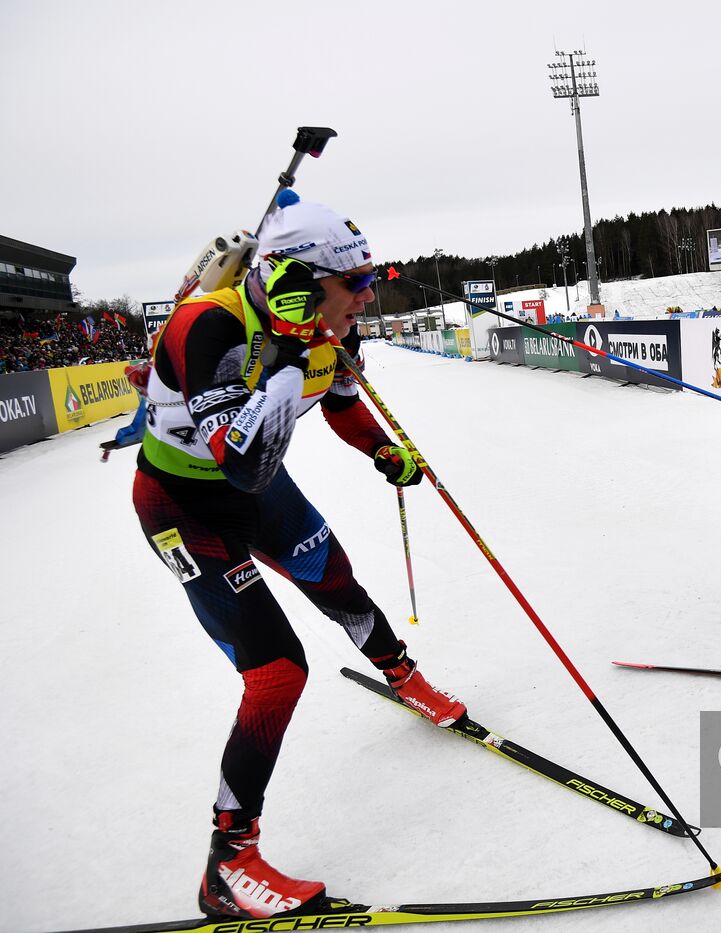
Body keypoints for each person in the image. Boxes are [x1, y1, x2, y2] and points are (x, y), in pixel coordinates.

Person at [132, 191, 466, 920]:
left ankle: (402, 674)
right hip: (185, 508)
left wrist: (386, 450)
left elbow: (337, 397)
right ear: (298, 282)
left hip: (257, 489)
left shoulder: (326, 329)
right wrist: (284, 355)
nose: (369, 298)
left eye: (372, 280)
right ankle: (228, 863)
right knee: (277, 671)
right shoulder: (209, 327)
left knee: (335, 577)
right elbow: (239, 460)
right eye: (357, 284)